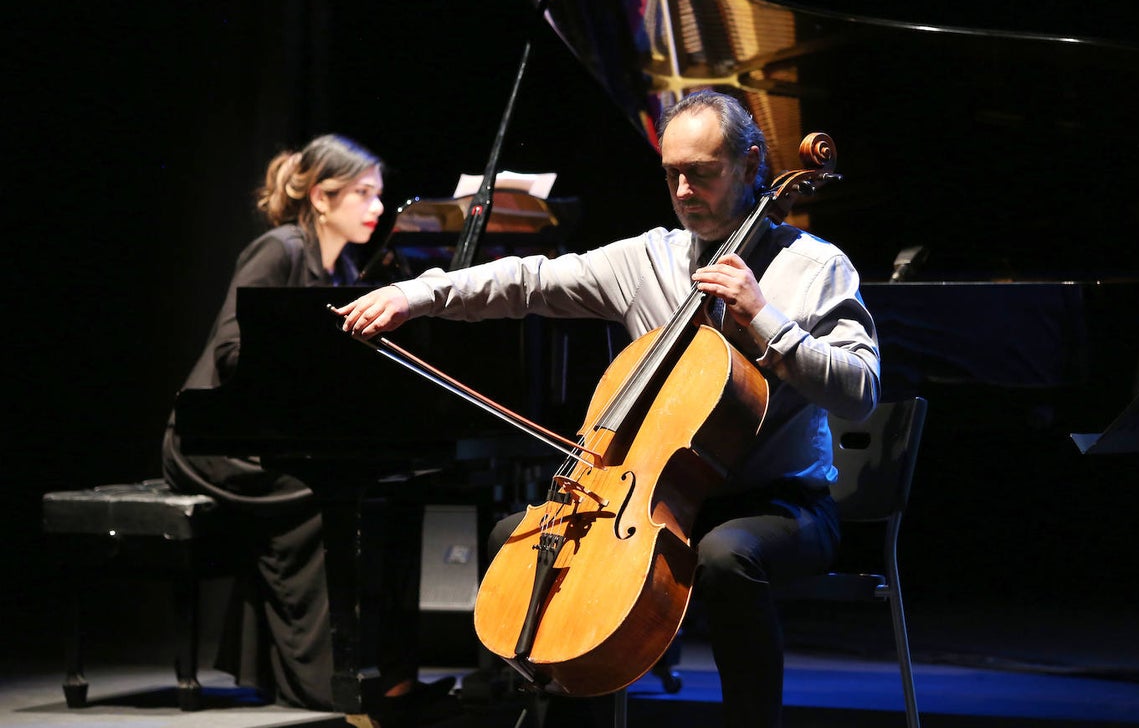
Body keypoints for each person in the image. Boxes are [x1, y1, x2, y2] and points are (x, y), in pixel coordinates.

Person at [335, 90, 880, 727]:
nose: (681, 190)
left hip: (777, 501)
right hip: (650, 498)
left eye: (700, 173)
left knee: (726, 556)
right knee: (515, 538)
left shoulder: (815, 267)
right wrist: (417, 293)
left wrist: (766, 319)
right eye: (670, 173)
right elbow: (528, 280)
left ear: (750, 162)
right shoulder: (647, 259)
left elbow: (859, 390)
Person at [162, 134, 452, 718]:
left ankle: (384, 677)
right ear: (321, 197)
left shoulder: (342, 263)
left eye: (378, 194)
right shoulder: (280, 249)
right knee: (323, 505)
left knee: (371, 500)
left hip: (277, 439)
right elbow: (230, 350)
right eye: (363, 194)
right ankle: (323, 682)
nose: (377, 207)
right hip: (213, 442)